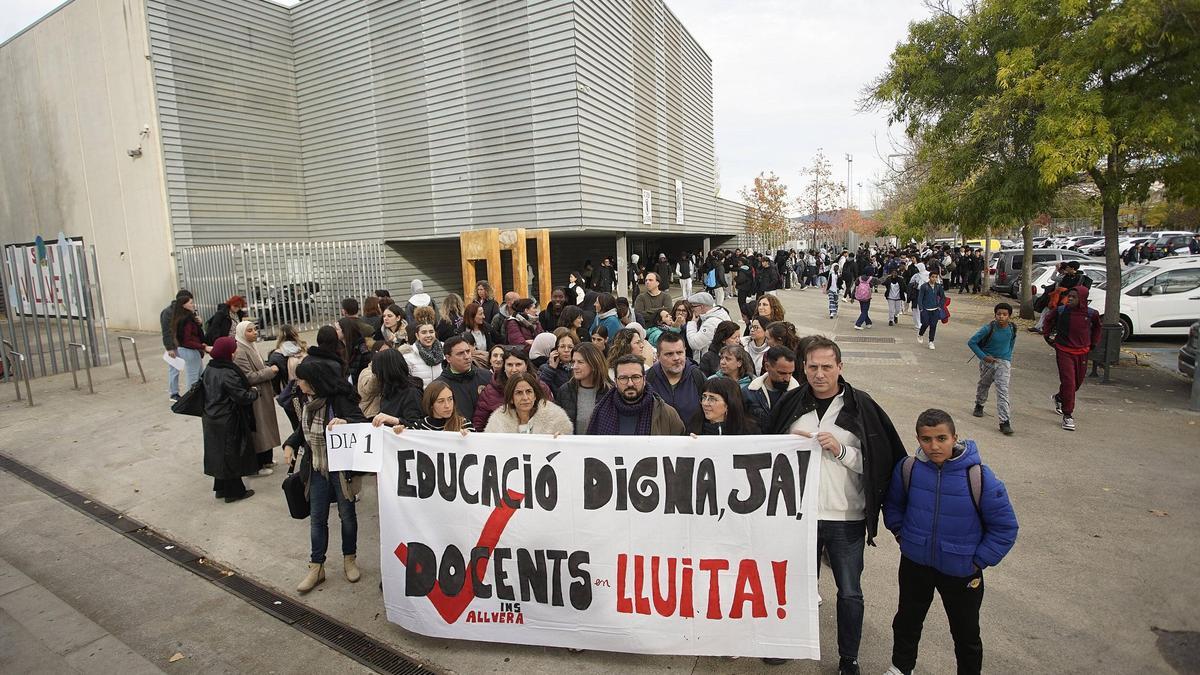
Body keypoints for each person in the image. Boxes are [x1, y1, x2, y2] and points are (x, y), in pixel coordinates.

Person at [764, 336, 907, 674]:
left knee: (849, 593)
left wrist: (841, 451)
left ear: (840, 367)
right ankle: (789, 642)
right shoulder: (791, 404)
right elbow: (765, 454)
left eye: (827, 366)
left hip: (847, 517)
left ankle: (848, 658)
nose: (819, 374)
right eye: (812, 367)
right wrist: (786, 446)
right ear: (804, 368)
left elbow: (882, 462)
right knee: (795, 585)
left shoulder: (861, 407)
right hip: (800, 516)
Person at [882, 409, 1019, 675]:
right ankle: (900, 668)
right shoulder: (909, 469)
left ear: (955, 437)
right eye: (926, 439)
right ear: (918, 439)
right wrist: (903, 536)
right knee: (907, 621)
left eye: (941, 438)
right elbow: (893, 505)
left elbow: (1005, 527)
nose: (934, 446)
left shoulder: (979, 476)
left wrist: (977, 560)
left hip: (962, 571)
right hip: (915, 563)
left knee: (965, 632)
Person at [285, 359, 369, 593]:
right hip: (316, 467)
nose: (298, 383)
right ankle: (316, 566)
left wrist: (346, 422)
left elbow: (362, 423)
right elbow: (302, 429)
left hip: (342, 469)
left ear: (313, 382)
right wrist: (291, 443)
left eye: (301, 379)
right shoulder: (305, 400)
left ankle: (349, 559)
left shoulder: (338, 399)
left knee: (347, 515)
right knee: (317, 517)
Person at [201, 337, 259, 503]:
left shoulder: (211, 368)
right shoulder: (227, 372)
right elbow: (241, 396)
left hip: (211, 417)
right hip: (227, 419)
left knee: (218, 453)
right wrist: (254, 392)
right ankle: (234, 492)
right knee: (231, 455)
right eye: (233, 350)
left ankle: (221, 487)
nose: (235, 353)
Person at [1041, 286, 1102, 431]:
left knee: (1076, 383)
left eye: (1074, 297)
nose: (1070, 299)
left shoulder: (1091, 313)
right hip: (1064, 350)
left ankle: (1060, 397)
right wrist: (1047, 336)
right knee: (1069, 381)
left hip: (1082, 352)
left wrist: (1093, 343)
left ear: (1082, 299)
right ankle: (1068, 415)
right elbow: (1048, 320)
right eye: (1069, 296)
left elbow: (1098, 328)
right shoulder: (1062, 311)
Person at [587, 354, 685, 435]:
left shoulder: (666, 414)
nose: (630, 383)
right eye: (623, 378)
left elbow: (680, 448)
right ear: (615, 381)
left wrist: (692, 442)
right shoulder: (599, 413)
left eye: (636, 377)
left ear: (644, 379)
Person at [232, 321, 281, 474]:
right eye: (250, 330)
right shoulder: (240, 351)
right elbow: (248, 377)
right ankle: (258, 464)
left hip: (263, 392)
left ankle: (267, 459)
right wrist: (270, 371)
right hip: (256, 394)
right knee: (259, 427)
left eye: (255, 329)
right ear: (241, 333)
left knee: (266, 424)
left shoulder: (251, 346)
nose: (254, 333)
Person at [473, 348, 554, 430]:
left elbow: (552, 416)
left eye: (518, 364)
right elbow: (479, 425)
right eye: (510, 365)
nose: (514, 369)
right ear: (504, 367)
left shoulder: (541, 388)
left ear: (526, 366)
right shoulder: (490, 392)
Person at [968, 303, 1018, 435]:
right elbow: (972, 342)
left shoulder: (1012, 328)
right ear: (995, 315)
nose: (1001, 317)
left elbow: (1011, 343)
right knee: (984, 384)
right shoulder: (988, 329)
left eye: (1005, 314)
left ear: (1009, 316)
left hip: (1003, 363)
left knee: (1003, 391)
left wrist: (1007, 358)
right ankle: (979, 404)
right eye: (999, 314)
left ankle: (1004, 422)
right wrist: (984, 357)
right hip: (988, 362)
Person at [484, 371, 574, 435]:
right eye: (519, 393)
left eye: (529, 391)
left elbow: (567, 451)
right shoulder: (498, 422)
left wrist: (562, 439)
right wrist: (470, 438)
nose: (525, 398)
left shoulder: (555, 418)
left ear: (535, 395)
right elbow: (488, 447)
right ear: (511, 398)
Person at [645, 331, 705, 425]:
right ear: (658, 356)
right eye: (669, 354)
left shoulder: (697, 376)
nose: (676, 358)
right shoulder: (647, 378)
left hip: (692, 438)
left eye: (680, 352)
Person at [556, 342, 611, 435]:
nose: (575, 367)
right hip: (572, 447)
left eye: (580, 362)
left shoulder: (610, 392)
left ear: (594, 364)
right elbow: (557, 422)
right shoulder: (565, 390)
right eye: (573, 362)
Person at [742, 346, 800, 430]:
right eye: (782, 373)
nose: (787, 378)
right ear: (767, 366)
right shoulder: (748, 393)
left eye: (790, 373)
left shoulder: (800, 396)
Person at [435, 336, 493, 420]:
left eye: (468, 351)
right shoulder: (439, 386)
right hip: (458, 431)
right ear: (448, 358)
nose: (467, 357)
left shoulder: (487, 376)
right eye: (460, 353)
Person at [368, 349, 427, 429]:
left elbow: (417, 425)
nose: (376, 377)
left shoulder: (412, 393)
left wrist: (395, 421)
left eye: (377, 373)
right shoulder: (388, 391)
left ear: (385, 372)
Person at [686, 377, 758, 435]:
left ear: (728, 403)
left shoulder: (749, 431)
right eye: (704, 397)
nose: (705, 403)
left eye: (712, 399)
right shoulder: (694, 427)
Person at [267, 324, 307, 431]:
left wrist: (279, 393)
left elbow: (275, 380)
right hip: (306, 392)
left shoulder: (275, 355)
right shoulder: (303, 350)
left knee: (296, 426)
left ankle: (300, 446)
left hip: (290, 395)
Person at [171, 293, 208, 390]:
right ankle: (191, 401)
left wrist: (198, 323)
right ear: (184, 305)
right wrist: (203, 347)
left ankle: (199, 399)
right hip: (189, 350)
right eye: (191, 303)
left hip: (191, 350)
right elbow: (186, 340)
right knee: (193, 378)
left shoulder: (186, 318)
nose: (193, 305)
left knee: (199, 375)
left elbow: (194, 334)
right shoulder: (185, 320)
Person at [161, 289, 192, 401]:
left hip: (187, 344)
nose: (192, 304)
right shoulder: (168, 312)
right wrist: (169, 348)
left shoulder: (186, 311)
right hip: (175, 345)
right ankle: (174, 393)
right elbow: (166, 331)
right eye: (189, 301)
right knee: (174, 368)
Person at [404, 309, 444, 387]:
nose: (428, 335)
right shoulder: (408, 356)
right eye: (424, 332)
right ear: (417, 336)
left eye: (431, 332)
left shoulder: (444, 350)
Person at [684, 292, 732, 356]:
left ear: (701, 306)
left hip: (709, 362)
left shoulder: (712, 322)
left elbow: (695, 344)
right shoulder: (718, 314)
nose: (692, 309)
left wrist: (692, 323)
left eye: (693, 306)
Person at [917, 271, 946, 350]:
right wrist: (921, 308)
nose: (934, 278)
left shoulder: (938, 287)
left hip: (935, 309)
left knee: (933, 325)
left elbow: (943, 297)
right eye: (932, 277)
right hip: (925, 309)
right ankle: (920, 334)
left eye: (936, 277)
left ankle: (931, 341)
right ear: (929, 277)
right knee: (925, 323)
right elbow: (920, 298)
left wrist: (940, 306)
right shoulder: (924, 286)